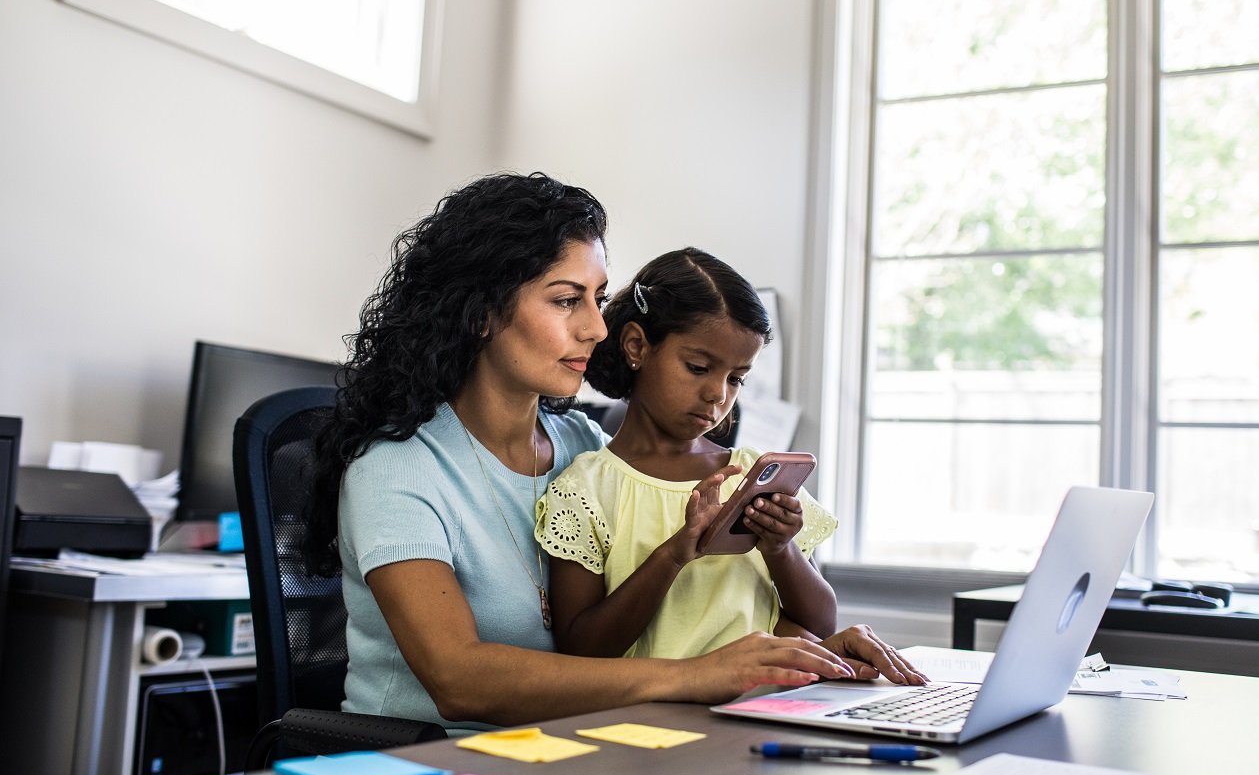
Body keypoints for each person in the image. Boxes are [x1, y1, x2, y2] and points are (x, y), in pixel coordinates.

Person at [303, 172, 923, 732]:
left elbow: (690, 608)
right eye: (567, 300)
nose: (596, 328)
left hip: (573, 749)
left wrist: (804, 653)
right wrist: (697, 677)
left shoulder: (588, 449)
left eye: (598, 299)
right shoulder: (396, 470)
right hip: (425, 766)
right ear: (483, 312)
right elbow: (460, 684)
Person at [535, 248, 852, 663]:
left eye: (736, 378)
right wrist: (673, 555)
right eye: (699, 367)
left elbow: (822, 621)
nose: (718, 394)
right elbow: (582, 648)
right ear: (636, 346)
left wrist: (781, 548)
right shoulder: (586, 489)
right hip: (647, 723)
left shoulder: (748, 475)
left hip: (755, 709)